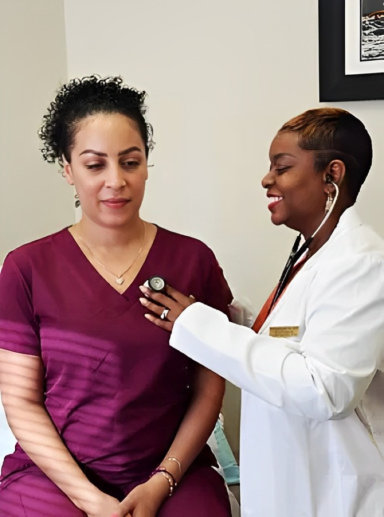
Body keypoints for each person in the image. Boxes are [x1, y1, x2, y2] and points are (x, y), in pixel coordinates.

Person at [0, 76, 233, 517]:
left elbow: (208, 386)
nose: (116, 181)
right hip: (54, 476)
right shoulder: (26, 268)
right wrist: (92, 501)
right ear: (67, 169)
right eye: (95, 165)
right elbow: (20, 400)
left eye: (130, 162)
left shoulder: (192, 260)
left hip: (170, 470)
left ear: (147, 163)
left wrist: (162, 481)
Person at [139, 108, 384, 517]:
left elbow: (324, 388)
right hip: (295, 484)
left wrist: (202, 326)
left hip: (334, 495)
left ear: (332, 175)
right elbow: (296, 340)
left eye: (282, 167)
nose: (266, 179)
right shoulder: (315, 254)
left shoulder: (361, 262)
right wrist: (235, 314)